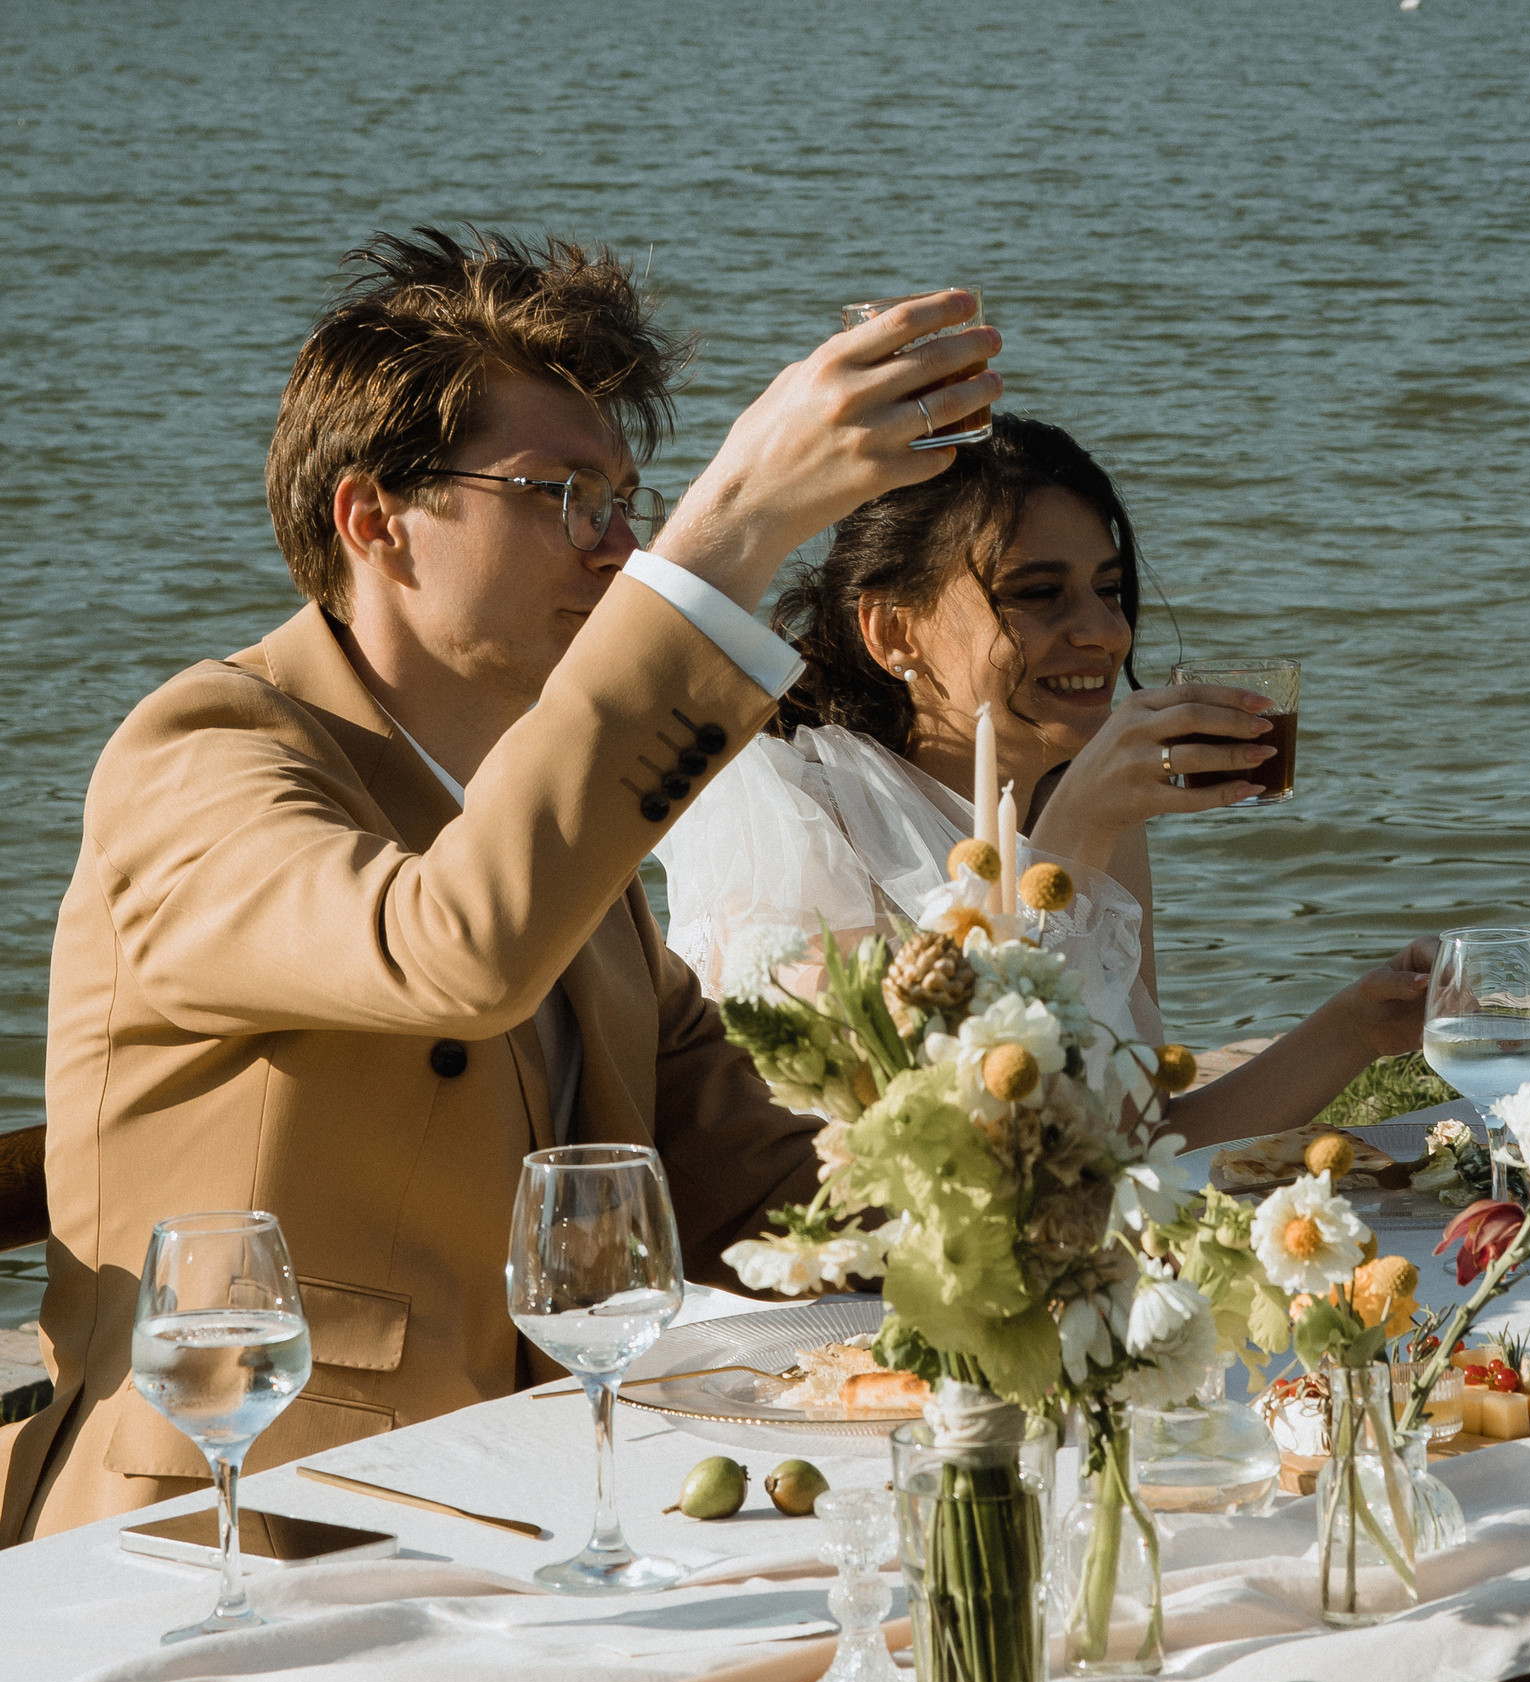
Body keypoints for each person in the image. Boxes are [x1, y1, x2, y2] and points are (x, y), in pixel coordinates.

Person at [1, 229, 1002, 1544]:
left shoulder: (565, 845)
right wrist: (735, 524)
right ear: (375, 521)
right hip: (223, 1542)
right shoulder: (202, 759)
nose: (617, 549)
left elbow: (768, 1192)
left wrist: (1068, 1212)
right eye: (566, 496)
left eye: (631, 505)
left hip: (518, 1519)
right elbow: (449, 949)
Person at [658, 414, 1430, 1146]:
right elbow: (930, 1156)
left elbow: (1129, 1140)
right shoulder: (795, 816)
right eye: (1037, 592)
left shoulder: (1083, 801)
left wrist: (1357, 1028)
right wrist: (1069, 845)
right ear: (893, 631)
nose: (1102, 631)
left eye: (1109, 587)